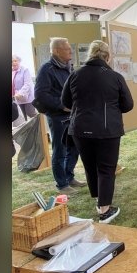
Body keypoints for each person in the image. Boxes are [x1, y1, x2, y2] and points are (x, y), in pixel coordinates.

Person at [62, 40, 134, 224]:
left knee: (90, 166)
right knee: (106, 169)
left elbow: (66, 102)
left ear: (90, 55)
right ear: (108, 56)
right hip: (107, 129)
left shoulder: (75, 75)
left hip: (80, 129)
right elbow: (128, 105)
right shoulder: (115, 77)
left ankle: (98, 200)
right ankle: (105, 210)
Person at [34, 37, 85, 194]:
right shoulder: (46, 69)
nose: (70, 50)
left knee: (74, 147)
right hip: (57, 117)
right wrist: (62, 105)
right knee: (60, 150)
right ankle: (62, 185)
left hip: (72, 115)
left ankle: (69, 177)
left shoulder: (68, 67)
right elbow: (41, 95)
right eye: (67, 48)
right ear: (56, 51)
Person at [12, 54, 37, 119]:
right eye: (12, 61)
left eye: (15, 61)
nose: (14, 63)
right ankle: (29, 129)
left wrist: (20, 93)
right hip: (17, 97)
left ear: (19, 61)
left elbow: (27, 84)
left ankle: (39, 127)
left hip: (27, 95)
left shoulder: (25, 70)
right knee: (22, 116)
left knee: (30, 113)